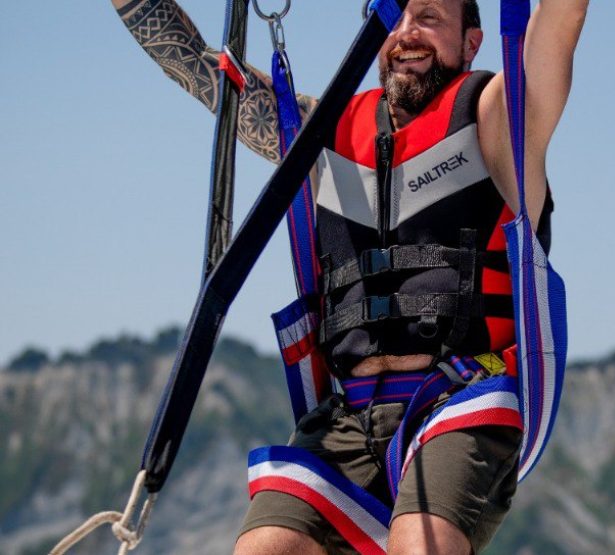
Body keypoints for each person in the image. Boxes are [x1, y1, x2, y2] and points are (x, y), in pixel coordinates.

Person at [111, 1, 589, 553]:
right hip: (347, 415)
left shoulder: (499, 121)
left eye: (431, 16)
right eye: (396, 15)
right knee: (265, 547)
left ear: (472, 42)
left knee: (422, 543)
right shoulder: (324, 137)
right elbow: (197, 67)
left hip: (462, 399)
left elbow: (559, 22)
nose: (408, 32)